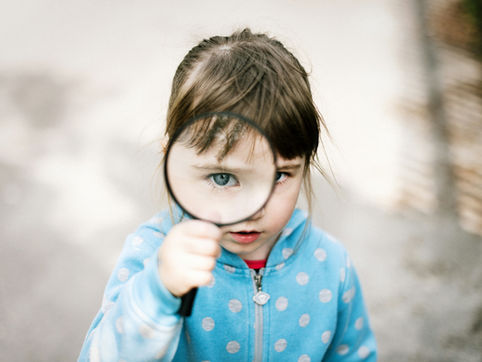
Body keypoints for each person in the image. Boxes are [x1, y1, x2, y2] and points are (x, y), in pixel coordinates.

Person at [79, 28, 377, 361]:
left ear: (306, 164)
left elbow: (354, 355)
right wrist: (157, 294)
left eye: (279, 175)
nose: (252, 208)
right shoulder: (152, 255)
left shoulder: (330, 264)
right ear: (170, 159)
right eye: (223, 178)